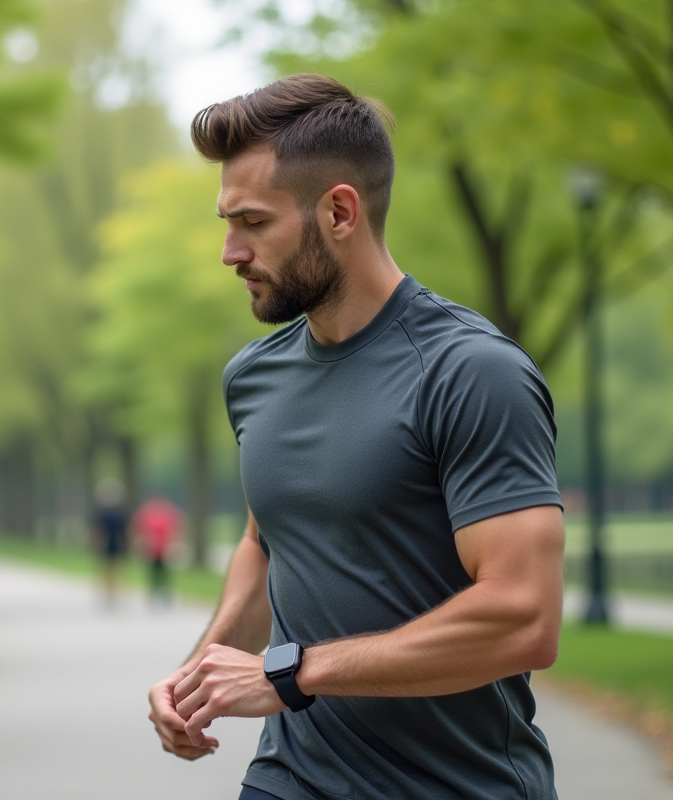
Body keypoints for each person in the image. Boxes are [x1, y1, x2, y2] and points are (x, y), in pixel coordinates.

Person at [146, 74, 565, 800]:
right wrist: (202, 673)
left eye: (252, 222)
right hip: (290, 780)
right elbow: (269, 539)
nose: (229, 252)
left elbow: (523, 618)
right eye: (226, 220)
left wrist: (291, 673)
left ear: (339, 211)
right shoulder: (253, 377)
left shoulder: (472, 372)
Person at [131, 495, 183, 607]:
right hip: (152, 549)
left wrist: (174, 546)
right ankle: (153, 594)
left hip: (165, 549)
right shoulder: (146, 513)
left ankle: (164, 594)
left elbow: (176, 530)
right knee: (153, 573)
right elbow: (138, 530)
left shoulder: (169, 513)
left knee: (165, 573)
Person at [92, 478, 129, 607]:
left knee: (111, 570)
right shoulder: (107, 513)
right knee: (110, 570)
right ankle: (110, 593)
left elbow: (123, 531)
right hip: (110, 545)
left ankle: (112, 594)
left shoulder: (115, 513)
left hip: (112, 545)